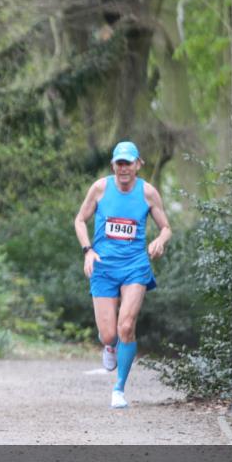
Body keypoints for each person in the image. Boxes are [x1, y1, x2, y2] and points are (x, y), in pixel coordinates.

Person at [73, 141, 172, 409]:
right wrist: (87, 251)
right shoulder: (100, 188)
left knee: (126, 327)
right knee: (109, 334)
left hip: (135, 267)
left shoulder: (148, 193)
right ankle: (109, 346)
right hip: (103, 267)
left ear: (138, 164)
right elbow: (80, 220)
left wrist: (159, 241)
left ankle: (119, 389)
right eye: (120, 163)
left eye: (129, 163)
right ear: (113, 165)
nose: (124, 168)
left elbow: (165, 228)